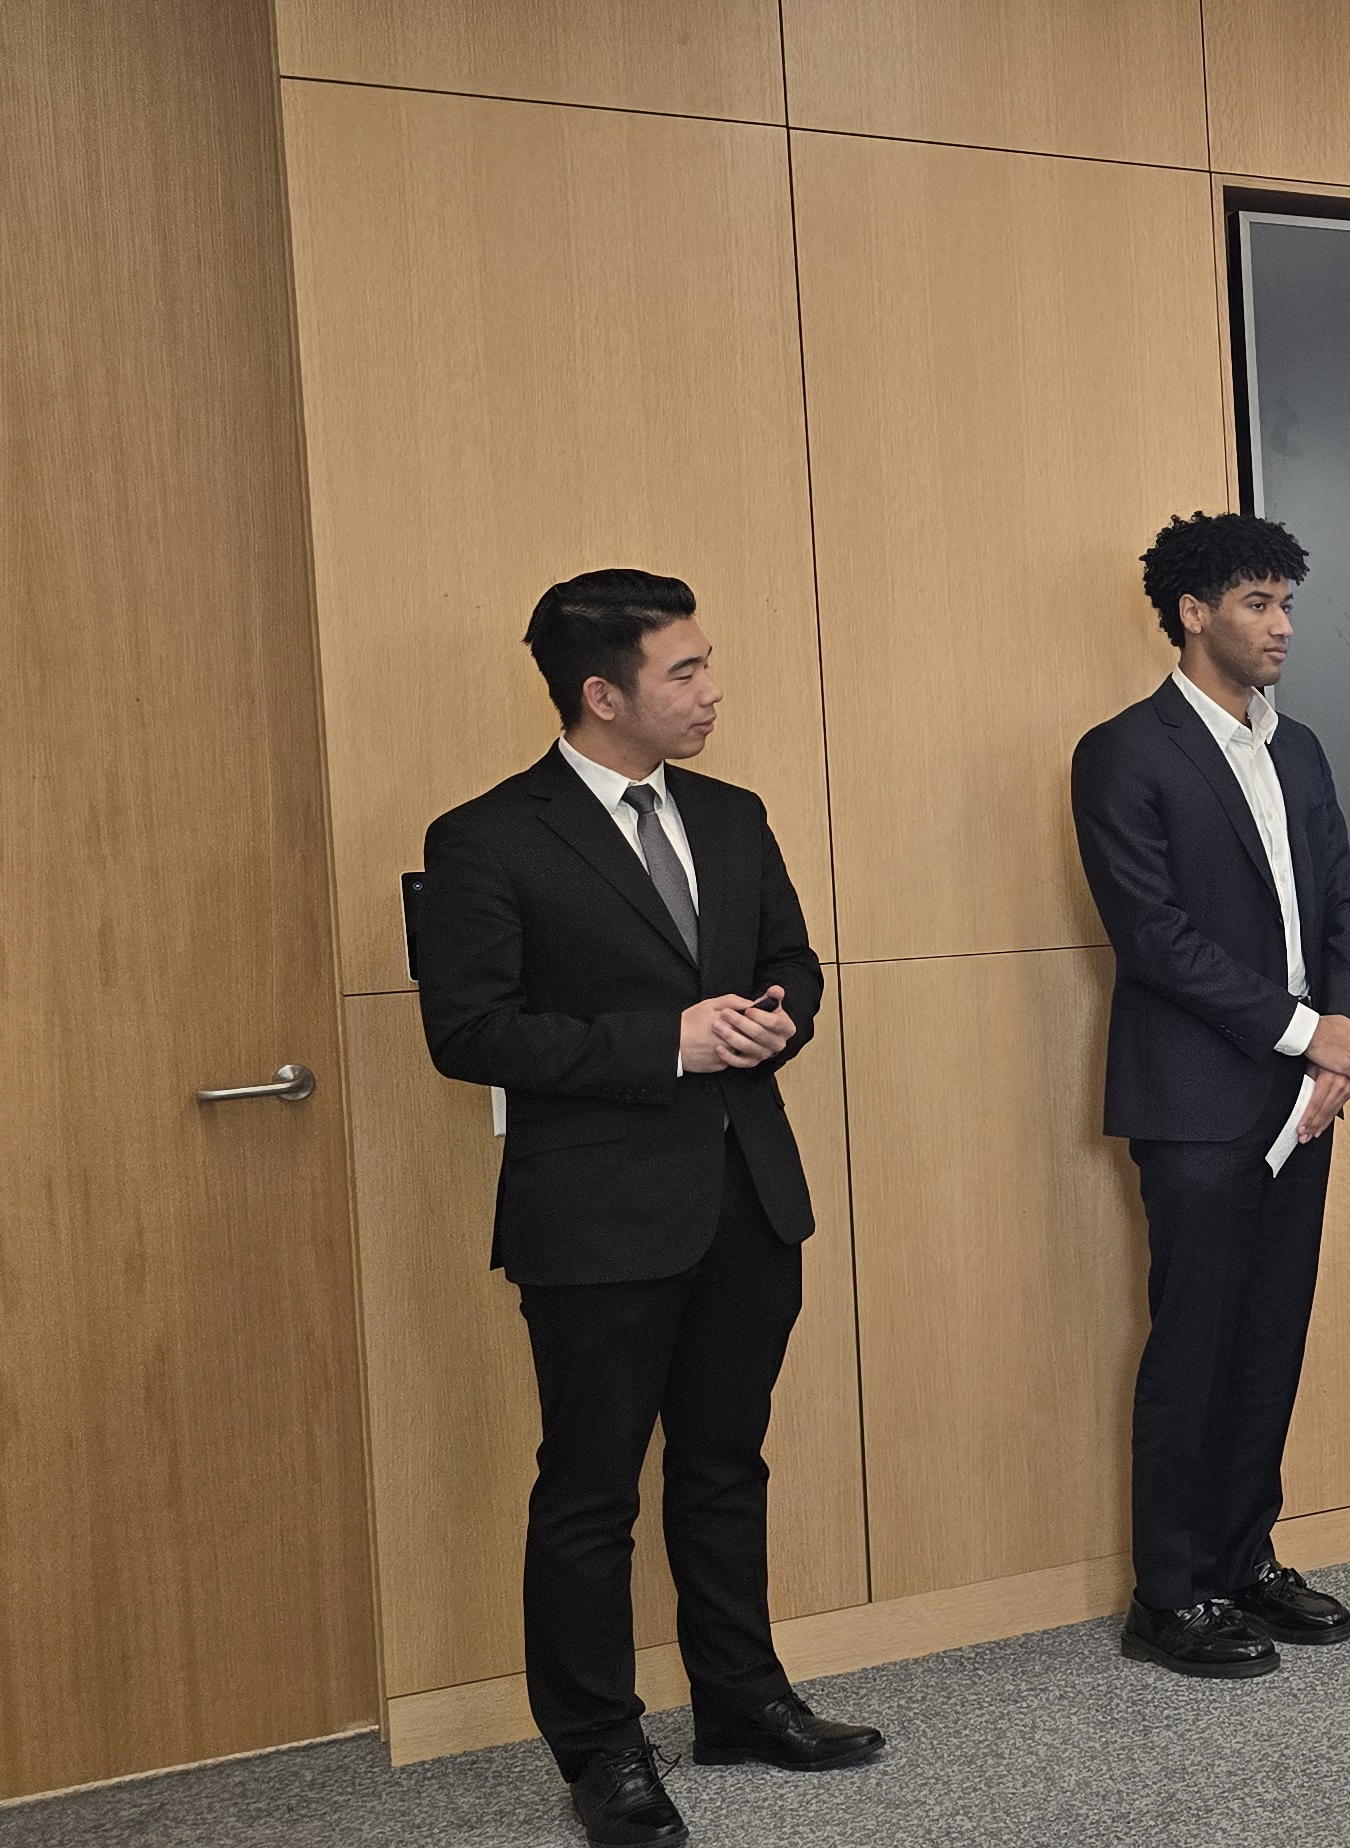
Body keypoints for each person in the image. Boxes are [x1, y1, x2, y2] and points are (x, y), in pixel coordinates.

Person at [414, 569, 881, 1848]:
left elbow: (792, 960)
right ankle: (601, 1749)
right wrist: (665, 1040)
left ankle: (740, 1700)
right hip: (597, 1220)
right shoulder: (488, 837)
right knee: (589, 1492)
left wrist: (770, 1016)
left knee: (727, 1466)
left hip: (744, 1194)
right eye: (684, 672)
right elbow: (470, 1033)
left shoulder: (732, 814)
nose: (710, 690)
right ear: (602, 694)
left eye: (706, 662)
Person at [1072, 512, 1350, 1682]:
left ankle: (1244, 1558)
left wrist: (1337, 1052)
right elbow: (1154, 939)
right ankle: (1169, 1593)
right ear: (1193, 613)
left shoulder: (1295, 748)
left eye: (1285, 604)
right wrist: (1311, 1035)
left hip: (1305, 1093)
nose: (1283, 626)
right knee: (1192, 1343)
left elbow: (1343, 903)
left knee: (1269, 1335)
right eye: (1257, 603)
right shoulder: (1124, 752)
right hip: (1199, 1096)